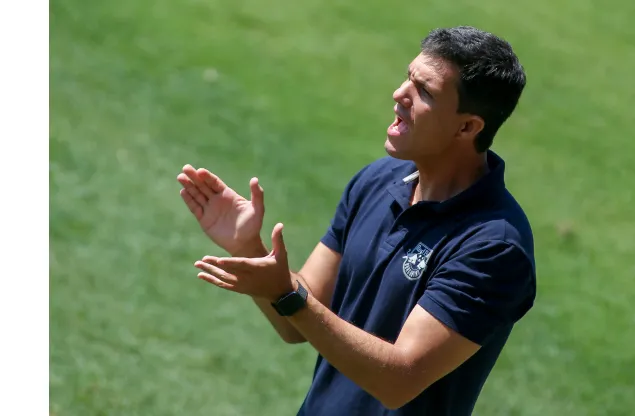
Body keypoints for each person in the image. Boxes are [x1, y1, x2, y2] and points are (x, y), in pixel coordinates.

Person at [177, 26, 537, 416]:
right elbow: (296, 321)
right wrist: (250, 247)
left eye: (425, 92)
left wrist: (287, 296)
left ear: (468, 127)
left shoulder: (494, 246)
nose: (400, 95)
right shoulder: (378, 181)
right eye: (408, 78)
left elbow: (399, 379)